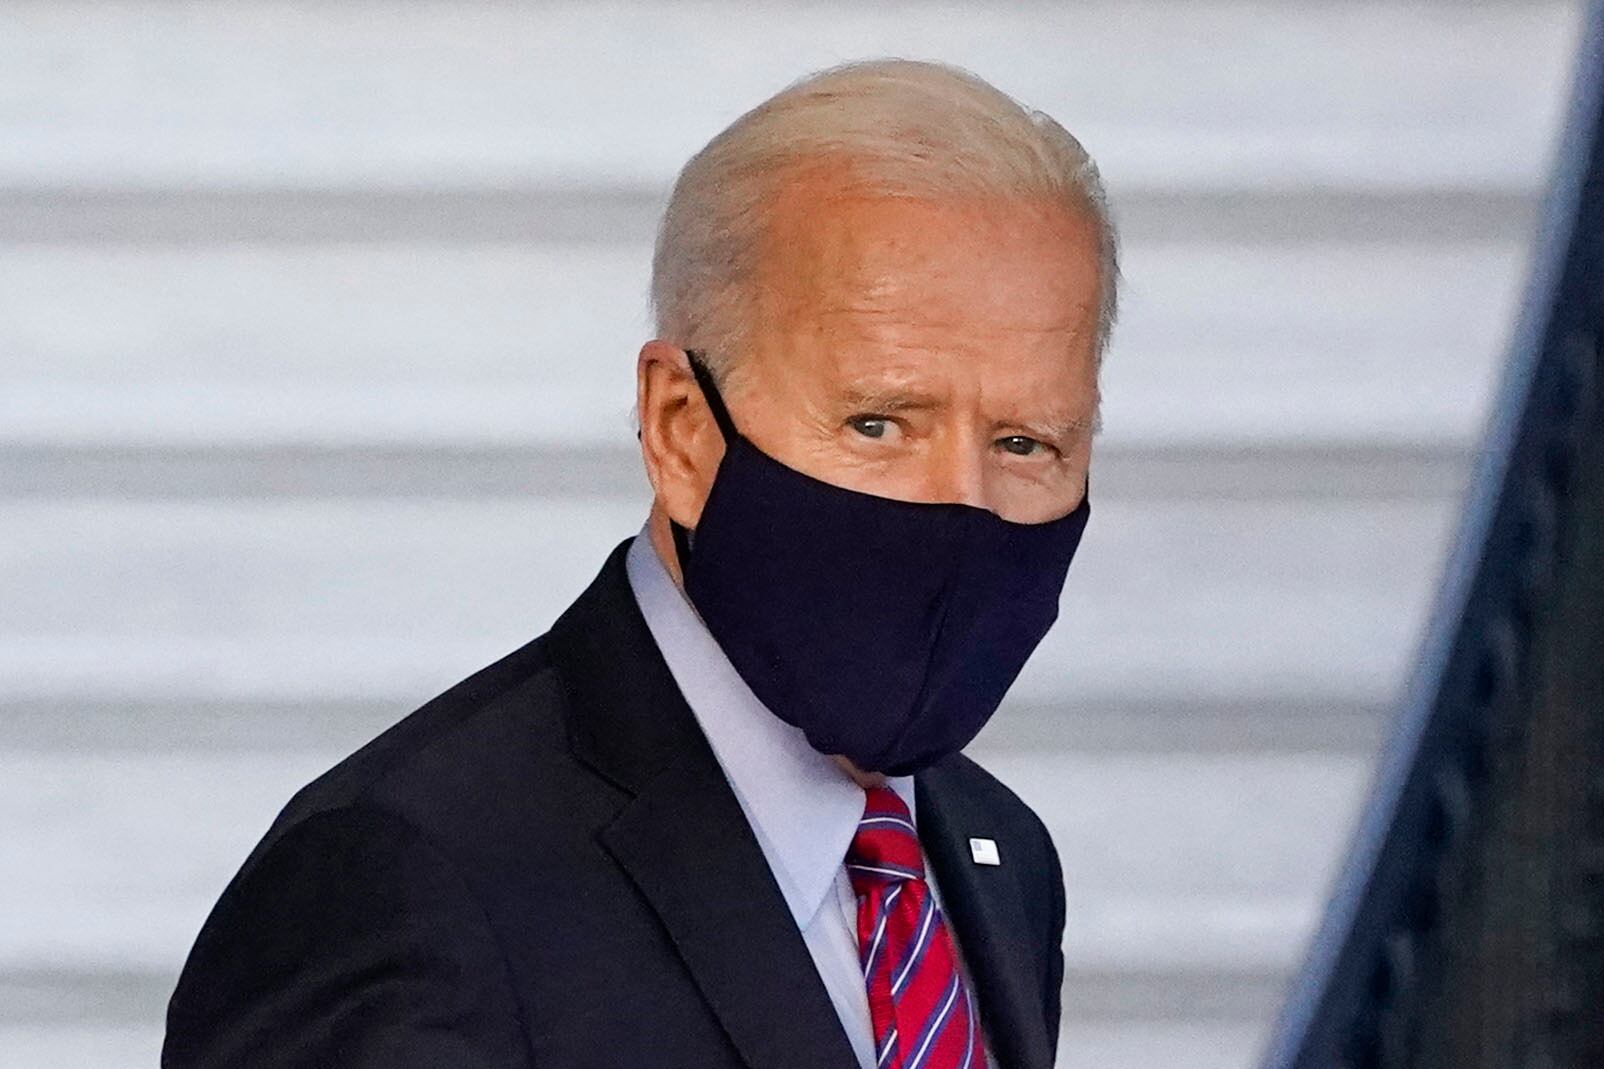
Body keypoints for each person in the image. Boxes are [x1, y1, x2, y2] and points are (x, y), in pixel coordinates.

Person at [163, 56, 1118, 1069]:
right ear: (680, 431)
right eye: (876, 422)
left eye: (1024, 442)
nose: (957, 503)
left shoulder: (995, 858)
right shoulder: (409, 880)